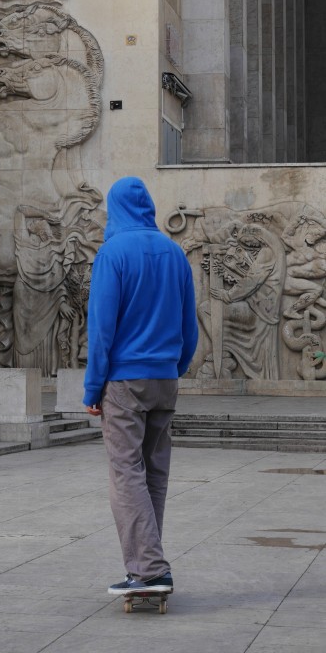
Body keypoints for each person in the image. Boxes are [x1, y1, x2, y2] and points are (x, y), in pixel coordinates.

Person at [83, 176, 198, 598]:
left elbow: (101, 329)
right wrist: (174, 366)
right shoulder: (174, 253)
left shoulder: (112, 253)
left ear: (115, 209)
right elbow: (190, 326)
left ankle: (149, 569)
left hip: (125, 380)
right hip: (164, 378)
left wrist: (93, 387)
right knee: (155, 473)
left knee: (125, 472)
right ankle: (148, 564)